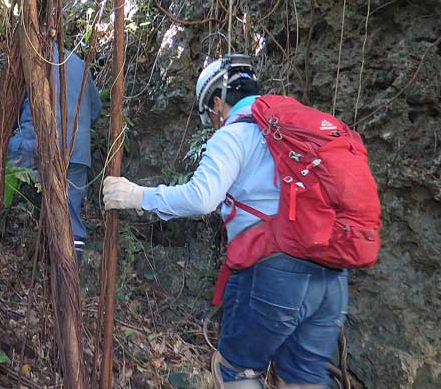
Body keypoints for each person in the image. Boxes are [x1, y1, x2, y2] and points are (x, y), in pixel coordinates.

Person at [102, 55, 348, 389]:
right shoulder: (295, 132)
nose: (214, 124)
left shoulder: (236, 133)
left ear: (218, 101)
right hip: (332, 275)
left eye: (210, 116)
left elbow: (202, 197)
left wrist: (137, 196)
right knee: (304, 377)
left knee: (236, 371)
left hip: (274, 272)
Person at [8, 45, 102, 264]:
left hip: (38, 146)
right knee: (72, 221)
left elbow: (9, 110)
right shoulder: (79, 62)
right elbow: (95, 109)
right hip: (77, 150)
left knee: (0, 164)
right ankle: (68, 287)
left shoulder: (30, 57)